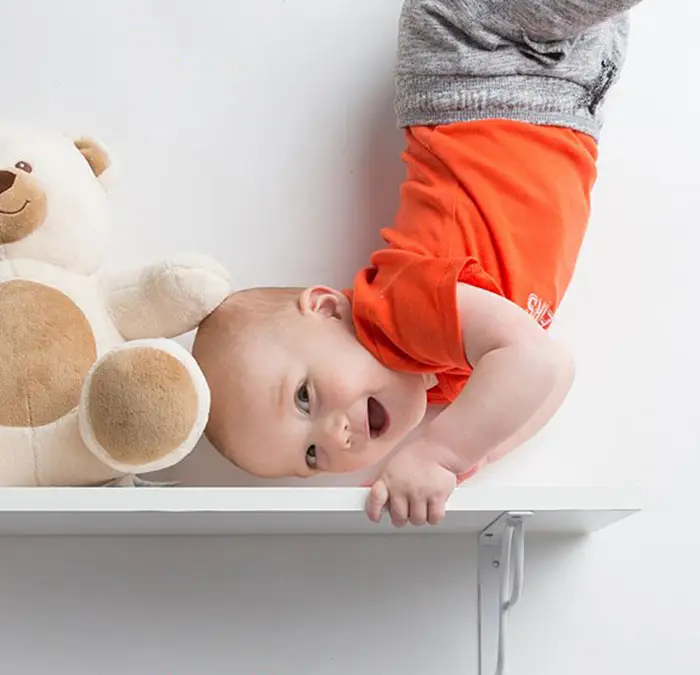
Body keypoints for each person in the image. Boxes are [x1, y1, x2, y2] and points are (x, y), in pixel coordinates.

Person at [191, 0, 643, 526]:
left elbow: (533, 362)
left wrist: (440, 454)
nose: (334, 436)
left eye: (304, 398)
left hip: (476, 53)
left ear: (325, 308)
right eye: (312, 457)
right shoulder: (448, 375)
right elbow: (554, 369)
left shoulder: (395, 313)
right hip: (564, 98)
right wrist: (478, 450)